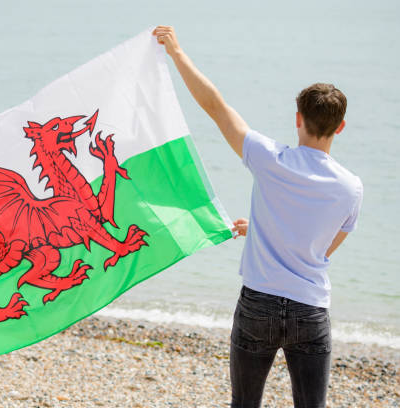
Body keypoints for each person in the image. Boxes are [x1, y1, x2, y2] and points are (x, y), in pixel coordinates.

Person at [152, 26, 363, 408]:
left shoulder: (270, 159)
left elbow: (215, 107)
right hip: (311, 309)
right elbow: (322, 248)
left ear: (298, 118)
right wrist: (266, 230)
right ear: (341, 127)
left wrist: (178, 53)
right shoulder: (351, 187)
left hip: (259, 304)